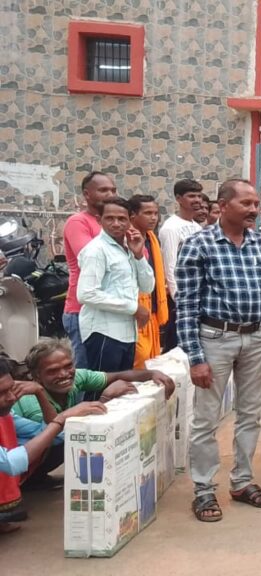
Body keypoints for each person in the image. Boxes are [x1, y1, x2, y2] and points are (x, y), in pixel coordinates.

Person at [176, 179, 261, 522]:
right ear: (223, 206)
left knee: (250, 414)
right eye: (246, 203)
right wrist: (196, 358)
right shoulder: (198, 245)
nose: (254, 209)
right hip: (215, 339)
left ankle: (242, 482)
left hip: (258, 339)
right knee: (206, 419)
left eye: (256, 203)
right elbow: (186, 306)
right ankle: (204, 489)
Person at [11, 338, 174, 487]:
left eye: (68, 366)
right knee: (71, 440)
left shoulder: (76, 377)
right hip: (20, 459)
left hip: (39, 449)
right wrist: (105, 398)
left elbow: (117, 375)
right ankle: (28, 480)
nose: (64, 374)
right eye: (53, 371)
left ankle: (36, 478)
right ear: (37, 377)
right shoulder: (31, 401)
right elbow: (54, 435)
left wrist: (152, 374)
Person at [0, 358, 106, 534]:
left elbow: (52, 435)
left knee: (46, 442)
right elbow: (11, 463)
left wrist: (39, 392)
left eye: (11, 389)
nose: (11, 397)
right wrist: (61, 419)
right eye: (2, 393)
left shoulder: (7, 416)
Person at [77, 198, 155, 373]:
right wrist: (134, 308)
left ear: (130, 220)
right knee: (103, 386)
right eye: (110, 218)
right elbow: (86, 294)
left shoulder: (129, 247)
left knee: (121, 386)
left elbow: (147, 287)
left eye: (122, 219)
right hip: (104, 332)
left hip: (127, 333)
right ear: (99, 220)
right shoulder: (96, 250)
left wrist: (139, 256)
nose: (116, 224)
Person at [63, 171, 118, 368]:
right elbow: (90, 259)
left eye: (113, 190)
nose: (110, 194)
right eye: (103, 190)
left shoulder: (115, 223)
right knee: (86, 375)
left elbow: (139, 257)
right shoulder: (78, 222)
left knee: (107, 373)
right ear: (87, 194)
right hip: (82, 310)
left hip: (110, 310)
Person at [159, 179, 206, 351]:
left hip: (197, 295)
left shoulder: (196, 227)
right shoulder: (171, 228)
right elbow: (170, 265)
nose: (197, 200)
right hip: (180, 298)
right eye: (191, 196)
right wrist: (177, 298)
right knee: (176, 347)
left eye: (199, 196)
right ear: (179, 198)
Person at [128, 195, 169, 369]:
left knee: (151, 360)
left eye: (155, 213)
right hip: (135, 310)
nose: (153, 218)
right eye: (147, 213)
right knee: (139, 357)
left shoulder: (152, 238)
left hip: (152, 309)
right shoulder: (127, 240)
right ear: (133, 215)